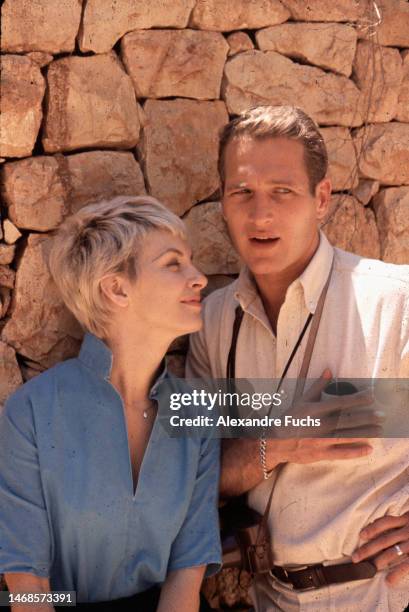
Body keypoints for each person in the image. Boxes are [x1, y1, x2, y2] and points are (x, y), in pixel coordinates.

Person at [187, 106, 409, 611]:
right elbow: (194, 473)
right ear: (222, 201)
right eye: (241, 192)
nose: (259, 214)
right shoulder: (210, 323)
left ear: (322, 199)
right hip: (269, 599)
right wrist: (277, 441)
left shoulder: (397, 300)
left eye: (282, 192)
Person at [0, 195, 221, 611]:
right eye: (174, 263)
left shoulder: (198, 414)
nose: (200, 278)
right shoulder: (31, 413)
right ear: (117, 288)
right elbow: (26, 584)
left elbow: (187, 573)